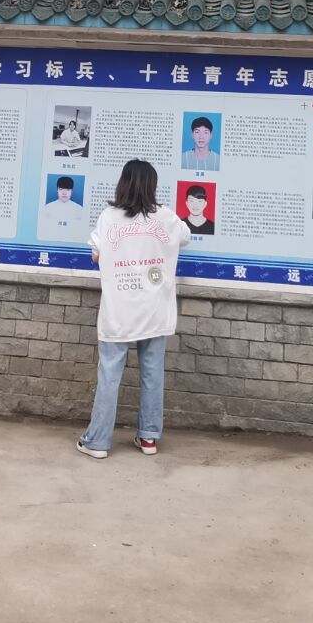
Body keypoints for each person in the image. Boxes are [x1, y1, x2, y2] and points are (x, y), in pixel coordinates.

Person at [79, 158, 189, 459]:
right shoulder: (165, 216)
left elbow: (96, 255)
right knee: (153, 373)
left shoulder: (110, 217)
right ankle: (149, 437)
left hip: (120, 309)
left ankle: (97, 442)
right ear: (152, 185)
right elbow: (185, 238)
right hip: (154, 308)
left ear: (123, 183)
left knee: (109, 375)